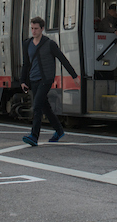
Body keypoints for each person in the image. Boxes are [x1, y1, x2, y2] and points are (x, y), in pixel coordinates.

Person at [19, 16, 78, 146]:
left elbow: (63, 59)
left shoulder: (49, 44)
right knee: (45, 107)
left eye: (36, 29)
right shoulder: (27, 44)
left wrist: (74, 76)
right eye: (32, 28)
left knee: (37, 106)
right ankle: (59, 130)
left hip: (46, 79)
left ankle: (34, 136)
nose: (33, 31)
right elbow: (26, 64)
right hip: (33, 79)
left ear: (42, 29)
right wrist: (23, 80)